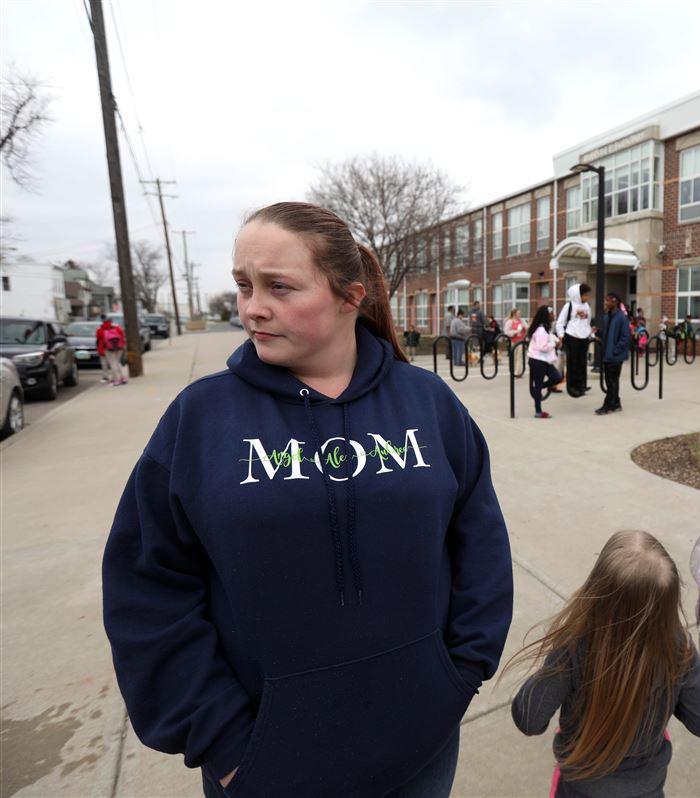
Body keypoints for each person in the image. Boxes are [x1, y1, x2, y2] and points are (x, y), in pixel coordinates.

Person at [101, 202, 514, 797]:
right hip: (265, 765)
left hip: (419, 746)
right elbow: (148, 588)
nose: (252, 307)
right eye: (244, 285)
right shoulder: (201, 420)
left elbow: (480, 544)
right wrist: (223, 744)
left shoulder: (427, 403)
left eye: (279, 287)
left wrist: (459, 676)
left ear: (349, 296)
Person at [508, 530, 700, 798]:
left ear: (597, 591)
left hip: (579, 790)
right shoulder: (675, 649)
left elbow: (529, 717)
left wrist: (561, 652)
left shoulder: (575, 647)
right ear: (668, 606)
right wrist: (687, 658)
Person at [555, 284, 592, 398]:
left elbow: (587, 322)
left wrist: (591, 333)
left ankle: (581, 386)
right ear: (578, 295)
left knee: (582, 363)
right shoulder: (569, 306)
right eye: (585, 295)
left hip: (584, 337)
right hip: (572, 336)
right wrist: (561, 335)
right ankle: (572, 387)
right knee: (573, 363)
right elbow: (560, 322)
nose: (587, 297)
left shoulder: (586, 306)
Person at [596, 293, 630, 415]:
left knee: (611, 381)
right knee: (611, 381)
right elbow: (605, 333)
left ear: (615, 302)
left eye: (608, 300)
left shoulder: (621, 317)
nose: (606, 302)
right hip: (607, 354)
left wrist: (615, 350)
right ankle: (616, 403)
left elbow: (625, 337)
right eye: (605, 300)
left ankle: (608, 405)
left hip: (615, 356)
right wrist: (598, 333)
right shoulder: (607, 316)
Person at [526, 305, 561, 419]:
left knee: (557, 377)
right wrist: (554, 344)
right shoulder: (541, 329)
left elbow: (549, 338)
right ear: (546, 316)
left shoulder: (546, 328)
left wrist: (556, 340)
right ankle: (538, 411)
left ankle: (539, 388)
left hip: (545, 360)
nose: (554, 315)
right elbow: (542, 347)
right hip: (537, 360)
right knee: (540, 383)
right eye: (551, 314)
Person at [97, 314, 128, 386]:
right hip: (119, 347)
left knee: (113, 364)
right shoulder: (117, 327)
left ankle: (117, 379)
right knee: (118, 362)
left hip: (108, 348)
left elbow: (99, 338)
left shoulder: (100, 329)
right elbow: (122, 336)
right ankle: (123, 377)